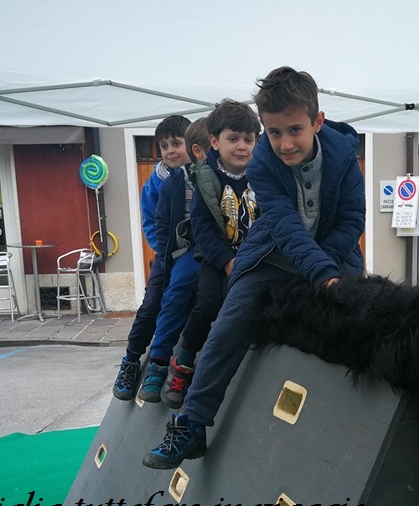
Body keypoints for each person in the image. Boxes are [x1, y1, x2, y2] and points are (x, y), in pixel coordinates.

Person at [144, 67, 365, 469]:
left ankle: (363, 424)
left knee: (362, 317)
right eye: (274, 132)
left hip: (334, 255)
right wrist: (319, 275)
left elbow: (351, 220)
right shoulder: (261, 163)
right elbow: (282, 225)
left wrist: (327, 272)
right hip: (273, 255)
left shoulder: (344, 156)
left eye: (295, 130)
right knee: (228, 324)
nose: (284, 143)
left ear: (317, 121)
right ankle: (192, 424)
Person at [160, 99, 261, 407]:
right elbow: (202, 228)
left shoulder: (262, 177)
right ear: (215, 141)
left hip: (254, 262)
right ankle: (182, 364)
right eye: (233, 139)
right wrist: (228, 262)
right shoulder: (205, 178)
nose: (242, 146)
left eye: (248, 139)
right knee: (206, 307)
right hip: (217, 262)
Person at [112, 116, 208, 401]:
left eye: (176, 143)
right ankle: (130, 360)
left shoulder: (203, 177)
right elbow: (152, 224)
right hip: (168, 253)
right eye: (164, 146)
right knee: (152, 303)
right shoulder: (155, 183)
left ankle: (164, 361)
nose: (170, 151)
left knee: (182, 297)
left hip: (194, 253)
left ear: (191, 145)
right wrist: (167, 252)